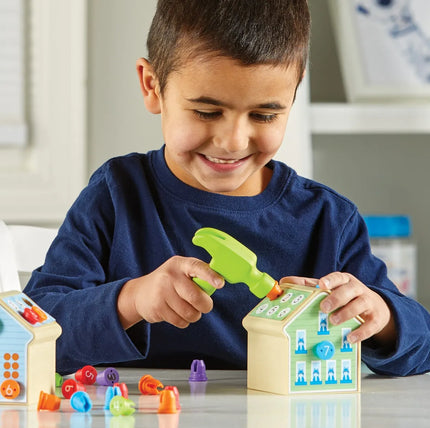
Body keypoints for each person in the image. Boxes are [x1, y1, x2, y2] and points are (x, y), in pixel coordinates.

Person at [24, 0, 430, 376]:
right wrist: (131, 300)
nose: (234, 141)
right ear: (152, 86)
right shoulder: (115, 196)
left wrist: (381, 316)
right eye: (206, 111)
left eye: (264, 115)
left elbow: (423, 344)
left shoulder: (328, 219)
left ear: (294, 92)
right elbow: (32, 333)